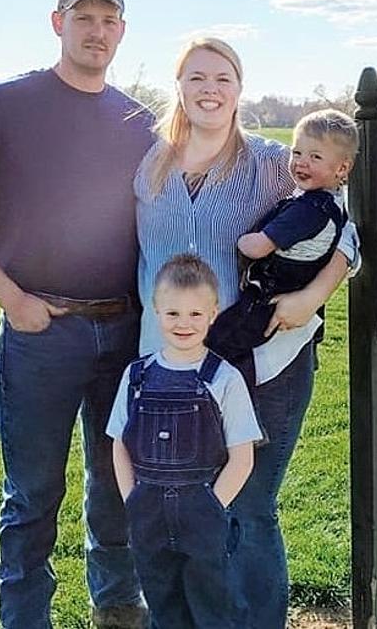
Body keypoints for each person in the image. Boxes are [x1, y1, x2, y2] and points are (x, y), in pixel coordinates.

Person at [0, 0, 154, 629]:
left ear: (122, 30)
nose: (97, 30)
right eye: (83, 17)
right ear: (58, 23)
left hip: (123, 333)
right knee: (32, 496)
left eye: (109, 19)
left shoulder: (137, 121)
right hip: (39, 333)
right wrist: (12, 298)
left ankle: (117, 606)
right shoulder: (4, 105)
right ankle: (25, 618)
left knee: (115, 484)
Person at [133, 37, 359, 628]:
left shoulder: (268, 164)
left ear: (240, 90)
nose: (211, 89)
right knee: (187, 510)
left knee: (249, 507)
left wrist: (313, 295)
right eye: (198, 77)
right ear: (178, 86)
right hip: (172, 370)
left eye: (224, 78)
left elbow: (344, 227)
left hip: (262, 364)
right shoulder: (148, 165)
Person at [107, 253, 262, 628]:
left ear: (213, 313)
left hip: (202, 515)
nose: (183, 324)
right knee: (163, 603)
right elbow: (119, 445)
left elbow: (242, 457)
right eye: (173, 313)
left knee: (213, 605)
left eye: (195, 314)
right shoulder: (137, 376)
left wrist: (211, 505)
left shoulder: (223, 379)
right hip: (149, 515)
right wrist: (133, 499)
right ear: (156, 311)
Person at [207, 109, 357, 375]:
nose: (301, 162)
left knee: (221, 343)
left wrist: (239, 239)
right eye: (296, 153)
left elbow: (257, 247)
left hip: (270, 299)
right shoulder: (330, 203)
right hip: (284, 300)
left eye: (315, 156)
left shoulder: (309, 210)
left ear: (342, 168)